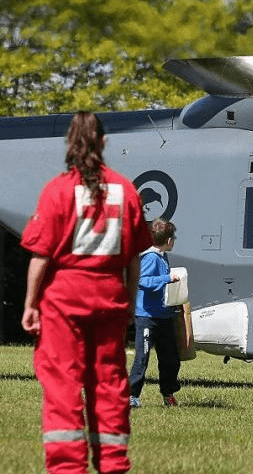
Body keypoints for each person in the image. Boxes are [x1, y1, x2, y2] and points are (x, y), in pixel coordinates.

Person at [20, 111, 152, 474]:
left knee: (63, 383)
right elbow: (135, 258)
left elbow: (41, 255)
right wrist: (128, 300)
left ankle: (67, 468)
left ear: (70, 144)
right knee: (109, 383)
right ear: (105, 142)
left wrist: (30, 305)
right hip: (110, 295)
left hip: (64, 297)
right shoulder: (126, 190)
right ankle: (113, 464)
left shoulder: (58, 190)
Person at [129, 218, 182, 408]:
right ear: (168, 241)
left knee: (170, 359)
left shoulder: (162, 256)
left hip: (164, 316)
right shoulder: (151, 257)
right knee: (142, 357)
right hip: (147, 317)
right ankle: (132, 395)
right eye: (173, 238)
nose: (174, 241)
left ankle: (168, 392)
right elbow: (143, 281)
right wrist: (167, 278)